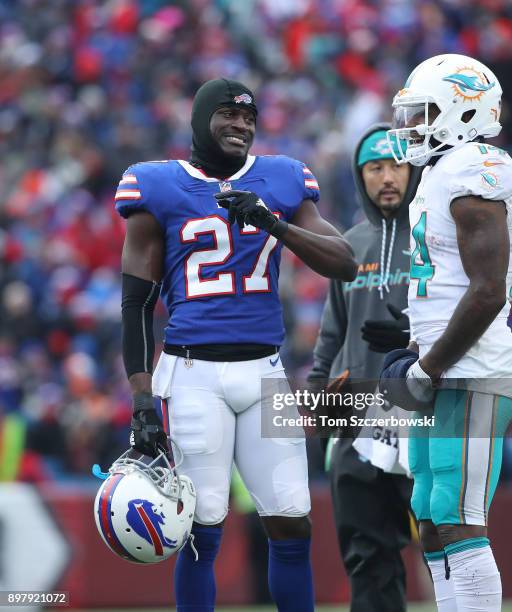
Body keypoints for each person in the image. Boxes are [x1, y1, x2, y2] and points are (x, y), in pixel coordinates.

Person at [114, 78, 357, 612]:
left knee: (292, 521)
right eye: (228, 114)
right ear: (201, 120)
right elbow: (135, 305)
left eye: (248, 117)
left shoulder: (281, 177)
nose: (241, 126)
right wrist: (141, 397)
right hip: (194, 373)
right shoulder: (157, 184)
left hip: (266, 372)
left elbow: (344, 262)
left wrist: (271, 221)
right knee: (202, 529)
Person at [385, 53, 512, 612]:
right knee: (431, 514)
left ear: (463, 112)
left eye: (422, 113)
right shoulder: (441, 171)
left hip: (474, 366)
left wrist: (427, 365)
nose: (408, 127)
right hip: (440, 361)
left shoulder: (473, 166)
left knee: (460, 518)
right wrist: (417, 351)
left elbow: (488, 289)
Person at [308, 124, 420, 612]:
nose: (387, 178)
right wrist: (316, 394)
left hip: (426, 410)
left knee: (446, 544)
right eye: (375, 168)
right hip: (356, 417)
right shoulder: (347, 244)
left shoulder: (435, 235)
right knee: (367, 555)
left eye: (396, 166)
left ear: (414, 170)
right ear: (360, 177)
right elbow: (332, 332)